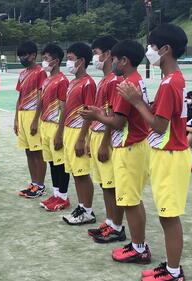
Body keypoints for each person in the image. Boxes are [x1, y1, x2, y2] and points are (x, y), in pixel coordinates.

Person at [117, 24, 190, 281]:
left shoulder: (171, 83)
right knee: (166, 215)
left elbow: (158, 126)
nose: (149, 51)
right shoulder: (173, 80)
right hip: (167, 153)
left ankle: (174, 273)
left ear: (166, 49)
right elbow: (161, 119)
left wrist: (136, 102)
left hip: (170, 154)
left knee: (169, 217)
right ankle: (171, 267)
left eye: (152, 47)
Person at [81, 40, 151, 263]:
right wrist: (101, 112)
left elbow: (119, 122)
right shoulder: (134, 80)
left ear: (124, 61)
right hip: (131, 146)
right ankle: (135, 243)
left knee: (131, 200)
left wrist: (95, 116)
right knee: (129, 198)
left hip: (130, 146)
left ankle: (139, 247)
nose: (111, 63)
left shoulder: (127, 84)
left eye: (114, 59)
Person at [87, 36, 126, 243]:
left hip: (107, 138)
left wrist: (104, 142)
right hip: (97, 135)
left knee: (111, 185)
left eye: (96, 52)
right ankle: (111, 222)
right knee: (104, 184)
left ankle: (117, 227)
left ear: (109, 54)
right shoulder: (103, 80)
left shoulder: (115, 81)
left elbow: (114, 116)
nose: (94, 57)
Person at [55, 42, 96, 225]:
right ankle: (81, 206)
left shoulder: (88, 83)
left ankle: (87, 210)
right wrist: (60, 132)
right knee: (75, 173)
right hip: (69, 131)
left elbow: (89, 113)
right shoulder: (73, 83)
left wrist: (81, 139)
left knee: (82, 172)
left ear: (81, 61)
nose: (68, 63)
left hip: (80, 131)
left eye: (70, 59)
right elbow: (65, 110)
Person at [36, 44, 71, 212]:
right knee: (51, 161)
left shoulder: (63, 80)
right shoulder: (47, 79)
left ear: (56, 61)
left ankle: (63, 197)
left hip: (56, 126)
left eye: (46, 59)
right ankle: (56, 193)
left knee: (60, 163)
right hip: (45, 125)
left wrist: (59, 132)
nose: (43, 62)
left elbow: (64, 108)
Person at [15, 41, 48, 198]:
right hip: (22, 114)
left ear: (33, 55)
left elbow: (42, 97)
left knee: (37, 152)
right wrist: (16, 119)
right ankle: (33, 183)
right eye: (20, 55)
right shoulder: (22, 73)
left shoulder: (40, 72)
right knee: (28, 151)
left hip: (34, 114)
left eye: (25, 55)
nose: (22, 58)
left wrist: (36, 120)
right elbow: (19, 96)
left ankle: (40, 185)